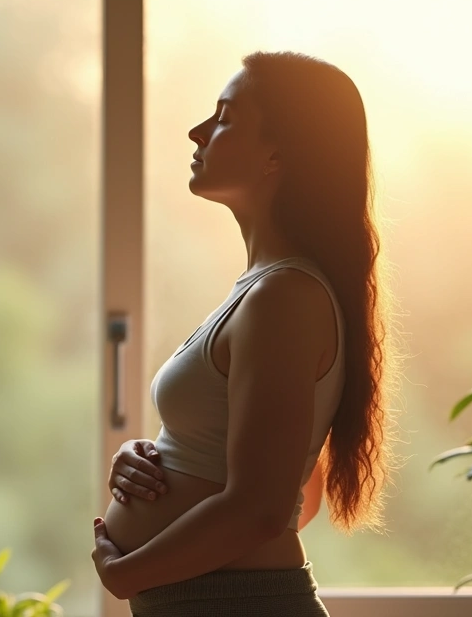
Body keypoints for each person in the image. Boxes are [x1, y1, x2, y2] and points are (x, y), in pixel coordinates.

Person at [90, 51, 393, 616]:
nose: (198, 131)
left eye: (225, 117)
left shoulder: (285, 297)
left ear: (278, 154)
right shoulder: (265, 289)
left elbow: (262, 510)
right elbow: (297, 496)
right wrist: (155, 459)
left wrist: (125, 573)